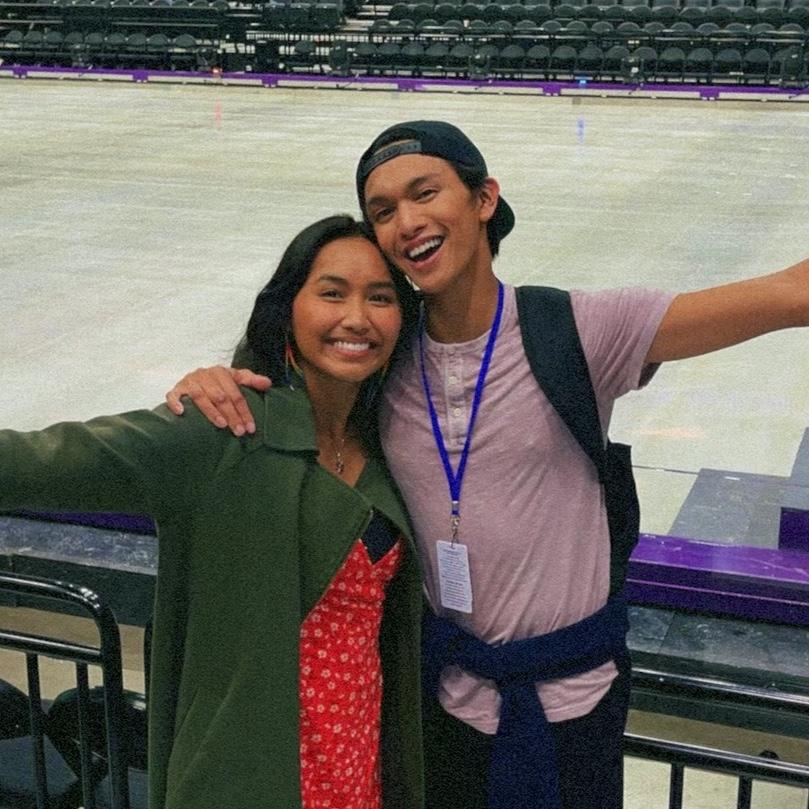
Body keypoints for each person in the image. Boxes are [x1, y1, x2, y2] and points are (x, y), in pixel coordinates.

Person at [165, 121, 809, 809]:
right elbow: (299, 385)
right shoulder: (384, 354)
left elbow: (789, 293)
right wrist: (213, 384)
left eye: (424, 193)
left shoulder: (578, 330)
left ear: (483, 198)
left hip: (574, 709)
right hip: (442, 707)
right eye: (382, 210)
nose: (407, 222)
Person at [0, 215, 425, 809]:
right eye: (332, 293)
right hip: (248, 776)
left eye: (380, 298)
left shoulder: (392, 443)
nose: (357, 317)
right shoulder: (224, 429)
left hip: (357, 768)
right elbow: (40, 462)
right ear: (287, 310)